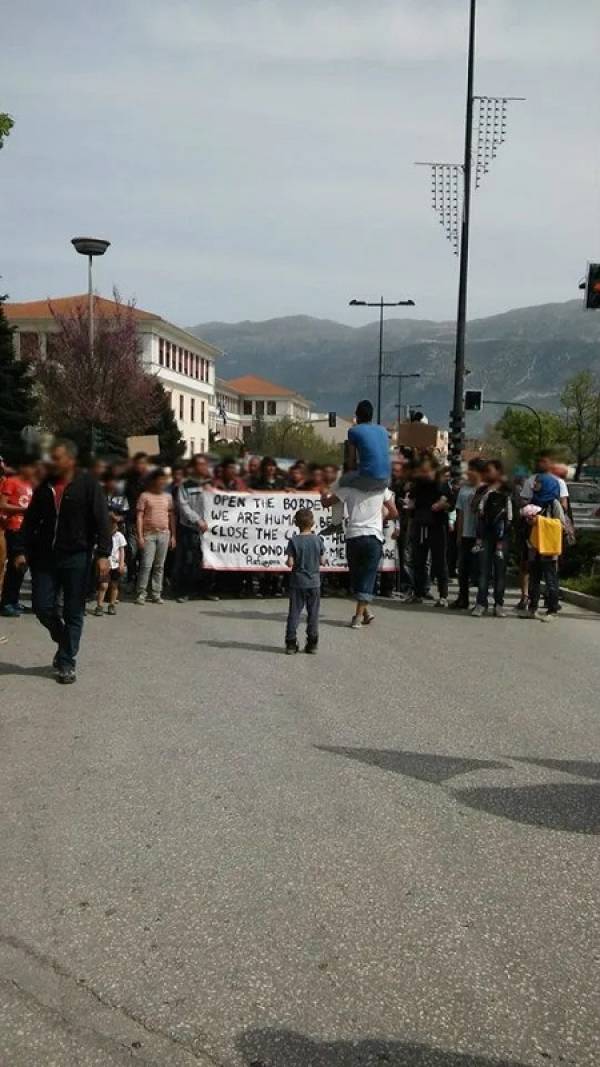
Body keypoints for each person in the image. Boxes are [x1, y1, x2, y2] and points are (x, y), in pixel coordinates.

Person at [13, 440, 112, 684]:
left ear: (70, 460)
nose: (51, 462)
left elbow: (102, 521)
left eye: (56, 458)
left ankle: (67, 662)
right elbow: (31, 521)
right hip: (46, 557)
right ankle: (65, 641)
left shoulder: (88, 485)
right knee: (42, 606)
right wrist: (20, 550)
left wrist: (103, 554)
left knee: (73, 611)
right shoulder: (45, 486)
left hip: (76, 556)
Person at [322, 476, 398, 629]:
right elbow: (394, 512)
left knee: (357, 576)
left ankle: (359, 614)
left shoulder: (348, 488)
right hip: (373, 537)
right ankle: (362, 613)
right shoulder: (381, 489)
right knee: (368, 576)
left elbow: (326, 503)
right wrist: (381, 517)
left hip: (354, 536)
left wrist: (323, 493)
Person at [519, 473, 565, 622]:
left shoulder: (554, 503)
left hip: (549, 549)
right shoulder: (533, 501)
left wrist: (539, 521)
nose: (534, 485)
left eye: (538, 483)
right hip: (534, 547)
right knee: (534, 579)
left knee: (550, 580)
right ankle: (533, 608)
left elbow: (560, 525)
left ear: (546, 485)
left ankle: (552, 609)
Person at [472, 459, 513, 618]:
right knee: (483, 571)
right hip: (484, 536)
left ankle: (499, 604)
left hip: (502, 537)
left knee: (500, 572)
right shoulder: (482, 489)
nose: (486, 474)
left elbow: (515, 511)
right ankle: (481, 603)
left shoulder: (508, 490)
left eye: (489, 470)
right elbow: (473, 507)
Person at [408, 456, 451, 607]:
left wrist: (441, 504)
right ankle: (418, 592)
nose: (424, 473)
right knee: (418, 561)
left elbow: (448, 501)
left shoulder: (441, 484)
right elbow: (411, 500)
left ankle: (443, 595)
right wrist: (409, 505)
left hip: (437, 526)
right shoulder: (418, 485)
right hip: (420, 524)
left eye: (426, 470)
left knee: (439, 561)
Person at [175, 454, 218, 602]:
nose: (204, 467)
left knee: (209, 560)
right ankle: (186, 591)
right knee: (189, 561)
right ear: (193, 467)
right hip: (191, 528)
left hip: (210, 530)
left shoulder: (212, 483)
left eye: (205, 464)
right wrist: (197, 520)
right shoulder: (185, 484)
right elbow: (183, 506)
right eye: (200, 464)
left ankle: (206, 590)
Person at [284, 507, 324, 654]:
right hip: (314, 582)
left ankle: (290, 643)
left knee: (294, 613)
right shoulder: (318, 540)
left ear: (296, 523)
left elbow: (290, 563)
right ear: (313, 522)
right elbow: (323, 560)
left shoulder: (293, 541)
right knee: (313, 613)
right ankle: (312, 643)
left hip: (297, 582)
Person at [0, 458, 36, 617]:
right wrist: (23, 509)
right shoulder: (11, 482)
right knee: (15, 565)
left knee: (22, 568)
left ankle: (13, 600)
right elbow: (2, 504)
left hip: (27, 530)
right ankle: (6, 602)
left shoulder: (31, 485)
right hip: (14, 527)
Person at [135, 469, 176, 605]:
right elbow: (139, 516)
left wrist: (173, 536)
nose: (163, 482)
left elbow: (171, 516)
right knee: (146, 565)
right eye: (160, 479)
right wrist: (140, 536)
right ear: (154, 481)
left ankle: (156, 593)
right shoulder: (144, 496)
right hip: (149, 534)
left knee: (159, 566)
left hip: (164, 533)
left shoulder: (168, 497)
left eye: (165, 480)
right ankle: (141, 593)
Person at [450, 458, 485, 611]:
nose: (468, 473)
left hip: (481, 536)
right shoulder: (464, 490)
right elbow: (461, 513)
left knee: (480, 569)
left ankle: (481, 601)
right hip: (466, 534)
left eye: (471, 470)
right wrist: (459, 534)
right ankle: (462, 598)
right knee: (463, 569)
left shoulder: (486, 489)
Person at [124, 452, 151, 584]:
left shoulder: (152, 481)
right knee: (132, 551)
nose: (141, 466)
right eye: (139, 463)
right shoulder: (130, 480)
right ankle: (131, 577)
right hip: (133, 520)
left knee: (145, 554)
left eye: (143, 463)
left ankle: (141, 581)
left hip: (148, 522)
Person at [94, 513, 126, 616]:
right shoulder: (102, 535)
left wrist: (121, 563)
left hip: (115, 564)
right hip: (106, 564)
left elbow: (122, 550)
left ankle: (112, 604)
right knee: (103, 585)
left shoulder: (119, 536)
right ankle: (99, 605)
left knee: (114, 585)